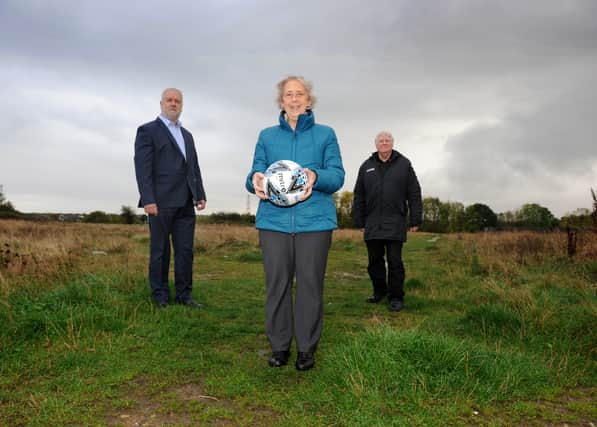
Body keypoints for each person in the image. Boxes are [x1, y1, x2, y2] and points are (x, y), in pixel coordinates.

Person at [246, 76, 345, 371]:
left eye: (299, 94)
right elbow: (253, 174)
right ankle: (279, 346)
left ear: (308, 100)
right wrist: (255, 181)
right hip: (273, 222)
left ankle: (306, 348)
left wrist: (315, 175)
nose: (294, 98)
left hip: (314, 222)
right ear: (281, 101)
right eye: (288, 94)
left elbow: (337, 175)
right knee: (277, 285)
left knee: (310, 286)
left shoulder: (326, 134)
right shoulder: (266, 136)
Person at [134, 88, 207, 308]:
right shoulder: (147, 131)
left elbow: (193, 167)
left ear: (181, 105)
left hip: (186, 202)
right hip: (160, 202)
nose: (173, 103)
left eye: (178, 101)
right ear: (161, 103)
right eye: (169, 100)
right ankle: (160, 297)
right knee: (160, 252)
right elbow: (142, 168)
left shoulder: (187, 135)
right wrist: (148, 199)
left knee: (185, 252)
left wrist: (200, 194)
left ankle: (184, 296)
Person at [352, 131, 422, 312]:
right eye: (381, 141)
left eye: (387, 141)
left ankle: (396, 297)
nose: (384, 143)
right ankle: (379, 292)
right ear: (376, 145)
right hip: (373, 223)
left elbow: (414, 193)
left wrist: (415, 219)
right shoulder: (366, 166)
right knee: (374, 261)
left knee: (395, 262)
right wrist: (359, 220)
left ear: (392, 143)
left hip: (395, 222)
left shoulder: (404, 164)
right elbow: (359, 194)